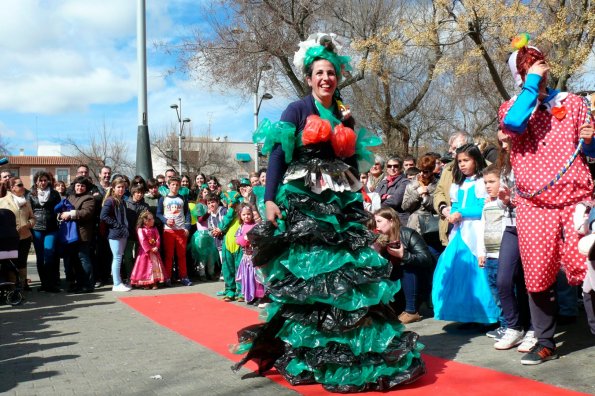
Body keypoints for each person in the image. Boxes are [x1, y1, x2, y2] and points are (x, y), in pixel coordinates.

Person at [231, 34, 424, 392]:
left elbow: (350, 162)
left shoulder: (343, 113)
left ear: (338, 77)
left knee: (347, 272)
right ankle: (309, 350)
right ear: (309, 77)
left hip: (340, 200)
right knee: (312, 272)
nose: (326, 78)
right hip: (304, 197)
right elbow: (277, 154)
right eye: (319, 73)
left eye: (331, 73)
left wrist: (358, 186)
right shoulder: (297, 109)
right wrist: (269, 198)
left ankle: (348, 345)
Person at [499, 40, 595, 364]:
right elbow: (513, 125)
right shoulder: (511, 108)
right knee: (537, 274)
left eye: (540, 66)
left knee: (589, 265)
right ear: (521, 76)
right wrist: (530, 88)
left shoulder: (575, 103)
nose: (539, 73)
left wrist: (591, 143)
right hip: (533, 205)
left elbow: (591, 154)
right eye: (529, 69)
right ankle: (545, 342)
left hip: (575, 199)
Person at [432, 144, 499, 324]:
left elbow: (482, 208)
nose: (462, 164)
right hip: (459, 231)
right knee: (459, 273)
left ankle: (486, 315)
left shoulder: (481, 182)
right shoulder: (457, 184)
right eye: (459, 161)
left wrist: (462, 213)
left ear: (476, 160)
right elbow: (454, 204)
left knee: (478, 273)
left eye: (466, 160)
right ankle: (466, 315)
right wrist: (450, 213)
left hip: (476, 230)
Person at [373, 207, 435, 323]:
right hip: (397, 287)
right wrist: (377, 255)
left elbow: (426, 259)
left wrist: (403, 255)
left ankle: (411, 311)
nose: (376, 225)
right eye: (375, 221)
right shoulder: (381, 240)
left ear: (391, 221)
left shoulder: (407, 234)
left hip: (417, 282)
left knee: (407, 266)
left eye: (379, 221)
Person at [476, 165, 512, 348]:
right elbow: (482, 228)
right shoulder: (486, 204)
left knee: (505, 292)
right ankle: (503, 324)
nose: (488, 186)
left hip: (502, 254)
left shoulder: (505, 204)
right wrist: (481, 252)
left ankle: (510, 325)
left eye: (492, 181)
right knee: (495, 292)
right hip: (490, 255)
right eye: (485, 182)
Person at [433, 132, 475, 247]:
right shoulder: (447, 169)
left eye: (455, 148)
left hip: (474, 231)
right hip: (450, 228)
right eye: (451, 148)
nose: (450, 151)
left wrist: (461, 212)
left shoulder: (487, 168)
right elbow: (439, 192)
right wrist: (442, 207)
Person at [57, 176, 96, 293]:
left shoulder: (89, 198)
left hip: (82, 233)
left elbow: (86, 213)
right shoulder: (70, 196)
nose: (80, 187)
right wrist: (60, 215)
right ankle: (77, 283)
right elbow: (63, 210)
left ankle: (88, 284)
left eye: (82, 186)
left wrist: (70, 214)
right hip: (70, 234)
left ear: (86, 187)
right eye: (78, 185)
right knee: (73, 260)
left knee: (83, 259)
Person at [28, 171, 62, 292]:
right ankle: (44, 283)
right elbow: (29, 211)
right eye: (40, 180)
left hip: (51, 228)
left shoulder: (54, 194)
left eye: (45, 180)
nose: (43, 182)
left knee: (50, 255)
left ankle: (51, 284)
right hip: (37, 228)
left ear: (48, 181)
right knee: (40, 256)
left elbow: (60, 209)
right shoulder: (31, 194)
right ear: (36, 181)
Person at [156, 176, 192, 287]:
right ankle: (168, 277)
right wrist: (166, 221)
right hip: (168, 231)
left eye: (177, 185)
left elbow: (187, 213)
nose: (175, 187)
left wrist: (187, 227)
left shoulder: (182, 198)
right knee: (169, 255)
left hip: (181, 230)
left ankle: (184, 277)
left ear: (180, 185)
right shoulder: (163, 198)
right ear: (168, 185)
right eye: (173, 184)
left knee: (181, 255)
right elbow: (158, 213)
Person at [0, 177, 35, 290]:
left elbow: (33, 218)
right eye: (19, 185)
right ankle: (12, 287)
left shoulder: (26, 201)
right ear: (12, 188)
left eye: (22, 184)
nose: (22, 187)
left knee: (22, 262)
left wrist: (28, 224)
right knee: (10, 262)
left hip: (25, 236)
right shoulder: (2, 201)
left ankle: (23, 285)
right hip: (9, 238)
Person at [100, 177, 131, 292]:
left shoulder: (121, 200)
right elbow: (103, 216)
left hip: (122, 232)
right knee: (117, 257)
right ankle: (117, 283)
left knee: (119, 257)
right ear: (113, 188)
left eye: (123, 187)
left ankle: (119, 282)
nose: (121, 189)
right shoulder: (110, 200)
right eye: (119, 187)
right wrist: (117, 225)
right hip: (115, 233)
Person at [234, 203, 263, 304]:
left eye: (248, 214)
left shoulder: (256, 226)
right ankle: (251, 296)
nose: (246, 216)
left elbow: (260, 239)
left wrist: (251, 238)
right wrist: (245, 239)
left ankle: (260, 296)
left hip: (256, 257)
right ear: (240, 216)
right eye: (244, 214)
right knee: (248, 277)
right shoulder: (241, 227)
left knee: (257, 278)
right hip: (246, 257)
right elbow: (238, 240)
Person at [129, 211, 165, 289]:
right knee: (144, 267)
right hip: (145, 252)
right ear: (145, 221)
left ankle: (154, 282)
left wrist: (156, 246)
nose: (153, 220)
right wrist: (149, 249)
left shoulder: (154, 229)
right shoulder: (140, 230)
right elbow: (143, 240)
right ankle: (146, 283)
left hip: (154, 251)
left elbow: (158, 238)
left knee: (155, 266)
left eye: (153, 219)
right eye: (151, 219)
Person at [122, 183, 149, 284]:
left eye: (141, 193)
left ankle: (139, 276)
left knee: (140, 256)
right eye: (137, 192)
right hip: (128, 234)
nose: (139, 195)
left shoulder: (145, 206)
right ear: (133, 193)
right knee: (127, 256)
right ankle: (130, 276)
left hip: (141, 235)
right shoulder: (126, 203)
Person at [375, 157, 410, 226]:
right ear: (387, 168)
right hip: (383, 219)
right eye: (389, 166)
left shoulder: (405, 182)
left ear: (400, 168)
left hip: (398, 219)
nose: (392, 168)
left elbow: (395, 201)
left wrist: (377, 206)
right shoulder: (383, 182)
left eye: (395, 166)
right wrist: (386, 196)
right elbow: (374, 197)